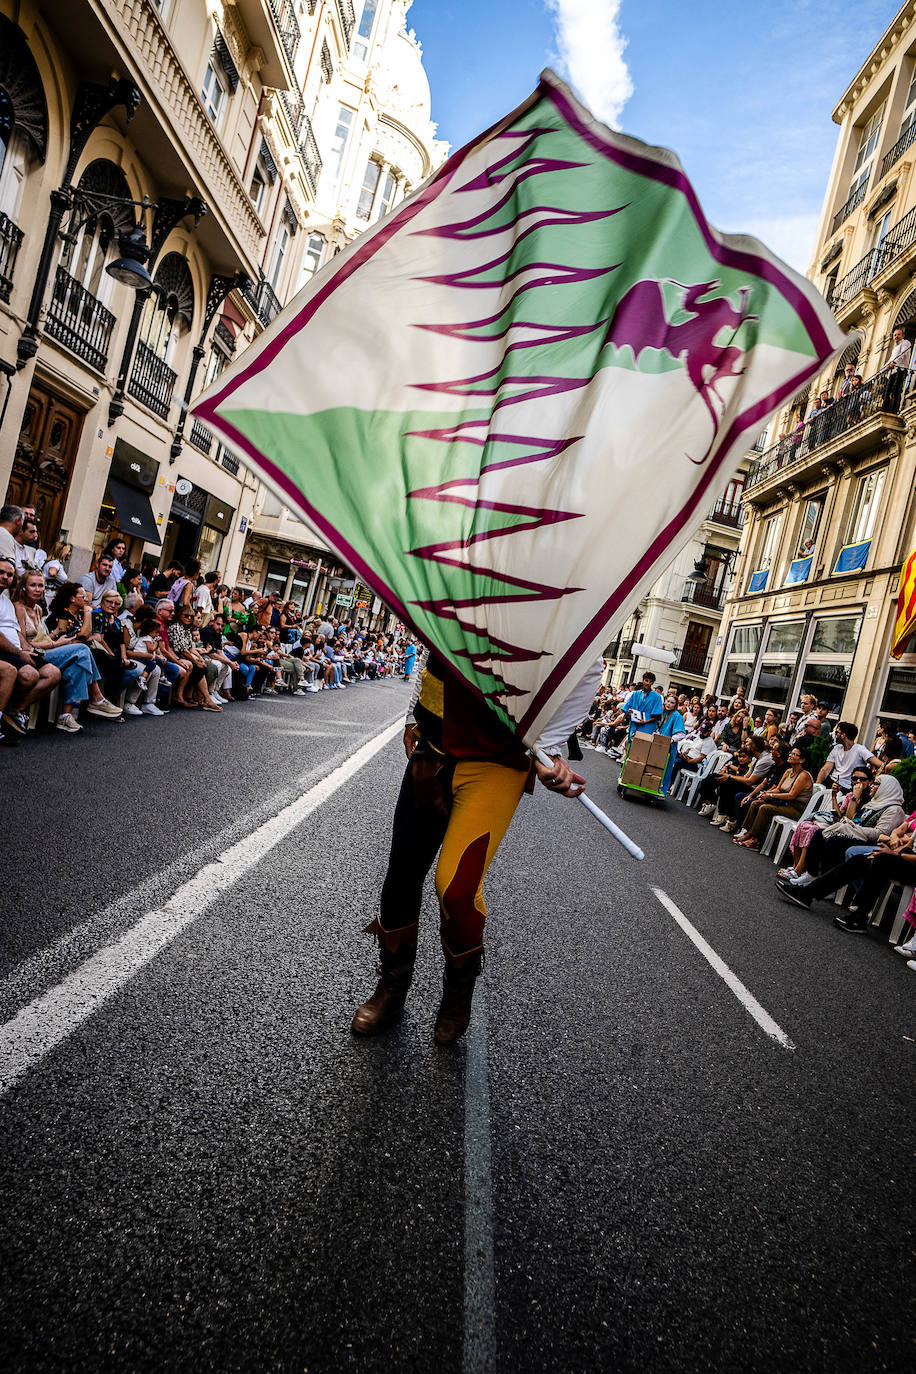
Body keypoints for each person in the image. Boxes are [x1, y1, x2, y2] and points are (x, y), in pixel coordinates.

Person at [351, 653, 592, 1045]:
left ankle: (456, 998)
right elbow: (431, 631)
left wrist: (550, 748)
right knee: (401, 875)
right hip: (434, 748)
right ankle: (391, 991)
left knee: (456, 889)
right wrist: (413, 714)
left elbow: (586, 664)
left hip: (497, 761)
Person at [775, 808, 916, 931]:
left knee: (881, 861)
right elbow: (909, 843)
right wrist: (895, 848)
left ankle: (860, 915)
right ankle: (807, 893)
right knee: (861, 859)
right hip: (905, 856)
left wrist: (895, 854)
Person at [42, 581, 124, 729]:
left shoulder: (78, 616)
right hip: (55, 654)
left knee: (79, 665)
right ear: (72, 598)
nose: (87, 599)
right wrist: (88, 612)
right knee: (84, 650)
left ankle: (65, 716)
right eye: (83, 596)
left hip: (74, 657)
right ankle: (97, 698)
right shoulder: (62, 615)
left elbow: (88, 637)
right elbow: (83, 637)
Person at [0, 555, 60, 736]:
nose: (5, 577)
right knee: (29, 675)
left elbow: (17, 631)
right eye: (1, 572)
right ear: (24, 586)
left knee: (53, 673)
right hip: (8, 651)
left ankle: (14, 710)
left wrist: (27, 649)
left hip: (19, 650)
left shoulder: (5, 602)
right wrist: (21, 653)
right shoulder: (17, 605)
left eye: (9, 574)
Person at [733, 744, 814, 850]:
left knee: (765, 808)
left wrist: (771, 795)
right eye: (791, 753)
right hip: (783, 804)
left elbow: (791, 795)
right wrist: (765, 793)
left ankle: (755, 840)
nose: (790, 755)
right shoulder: (789, 771)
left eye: (795, 754)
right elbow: (778, 789)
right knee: (756, 802)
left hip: (796, 809)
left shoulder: (803, 776)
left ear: (802, 760)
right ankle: (747, 832)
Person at [815, 721, 882, 792]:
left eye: (837, 732)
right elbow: (825, 769)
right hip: (832, 782)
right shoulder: (837, 748)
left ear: (843, 735)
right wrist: (817, 785)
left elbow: (880, 764)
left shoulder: (860, 749)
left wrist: (872, 776)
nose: (835, 735)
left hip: (847, 788)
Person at [656, 691, 686, 794]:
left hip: (669, 747)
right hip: (659, 744)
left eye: (672, 702)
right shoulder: (664, 713)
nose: (669, 704)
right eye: (668, 701)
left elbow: (681, 733)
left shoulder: (677, 715)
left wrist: (672, 739)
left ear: (675, 705)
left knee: (666, 769)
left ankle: (661, 790)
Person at [623, 670, 664, 742]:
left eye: (650, 681)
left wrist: (644, 722)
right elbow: (626, 708)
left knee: (641, 749)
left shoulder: (657, 697)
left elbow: (657, 716)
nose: (648, 683)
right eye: (646, 680)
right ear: (642, 680)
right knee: (630, 747)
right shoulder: (636, 694)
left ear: (653, 683)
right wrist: (629, 712)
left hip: (647, 728)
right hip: (634, 725)